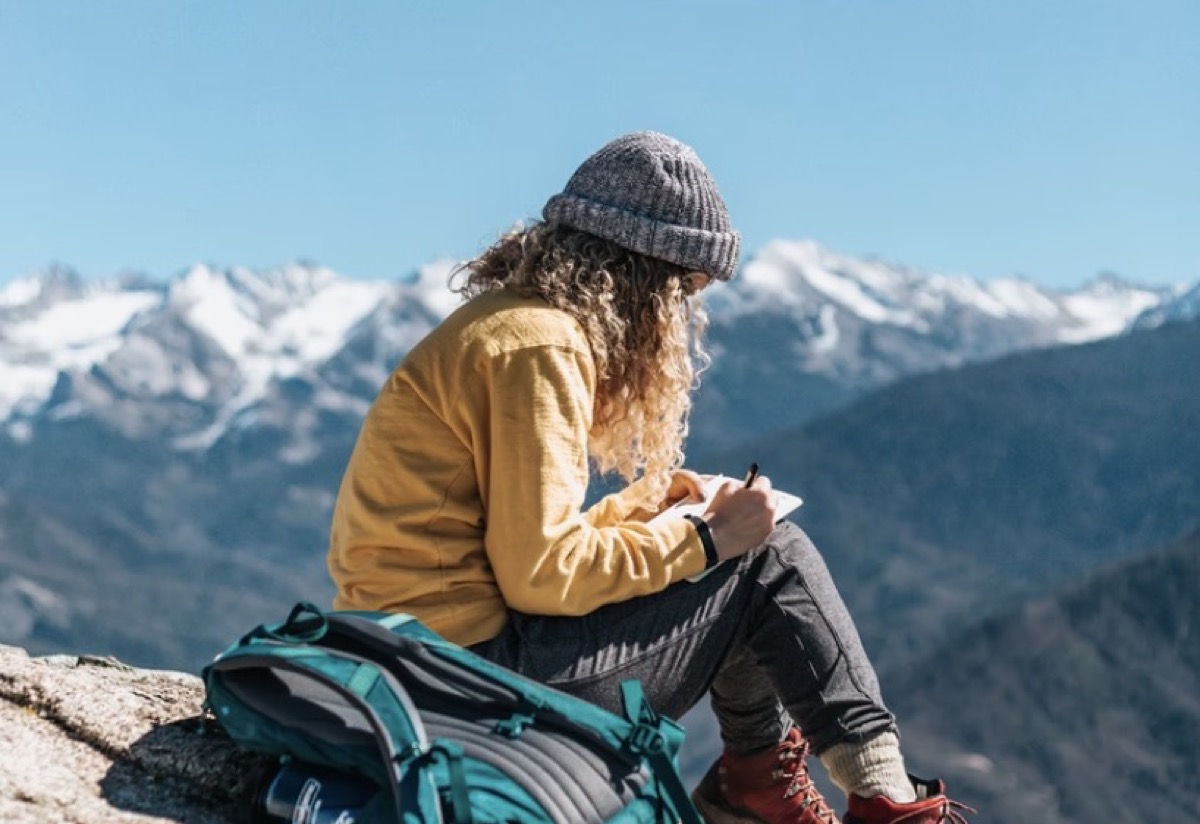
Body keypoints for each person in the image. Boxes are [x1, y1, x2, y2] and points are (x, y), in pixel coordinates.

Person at [327, 131, 971, 824]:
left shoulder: (502, 327)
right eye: (684, 294)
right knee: (768, 558)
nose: (681, 319)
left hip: (414, 662)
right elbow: (540, 574)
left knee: (745, 559)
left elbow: (507, 545)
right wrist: (708, 542)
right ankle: (881, 801)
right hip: (468, 685)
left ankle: (763, 788)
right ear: (642, 281)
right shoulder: (542, 347)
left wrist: (645, 507)